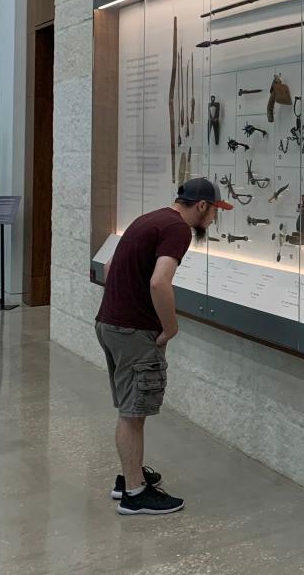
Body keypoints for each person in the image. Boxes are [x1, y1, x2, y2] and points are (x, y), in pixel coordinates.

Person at [95, 177, 230, 515]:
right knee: (133, 412)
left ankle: (131, 476)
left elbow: (111, 267)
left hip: (111, 325)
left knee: (130, 408)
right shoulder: (178, 230)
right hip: (134, 332)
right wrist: (170, 328)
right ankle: (135, 494)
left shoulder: (150, 218)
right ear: (201, 206)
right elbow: (159, 282)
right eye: (214, 212)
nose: (214, 219)